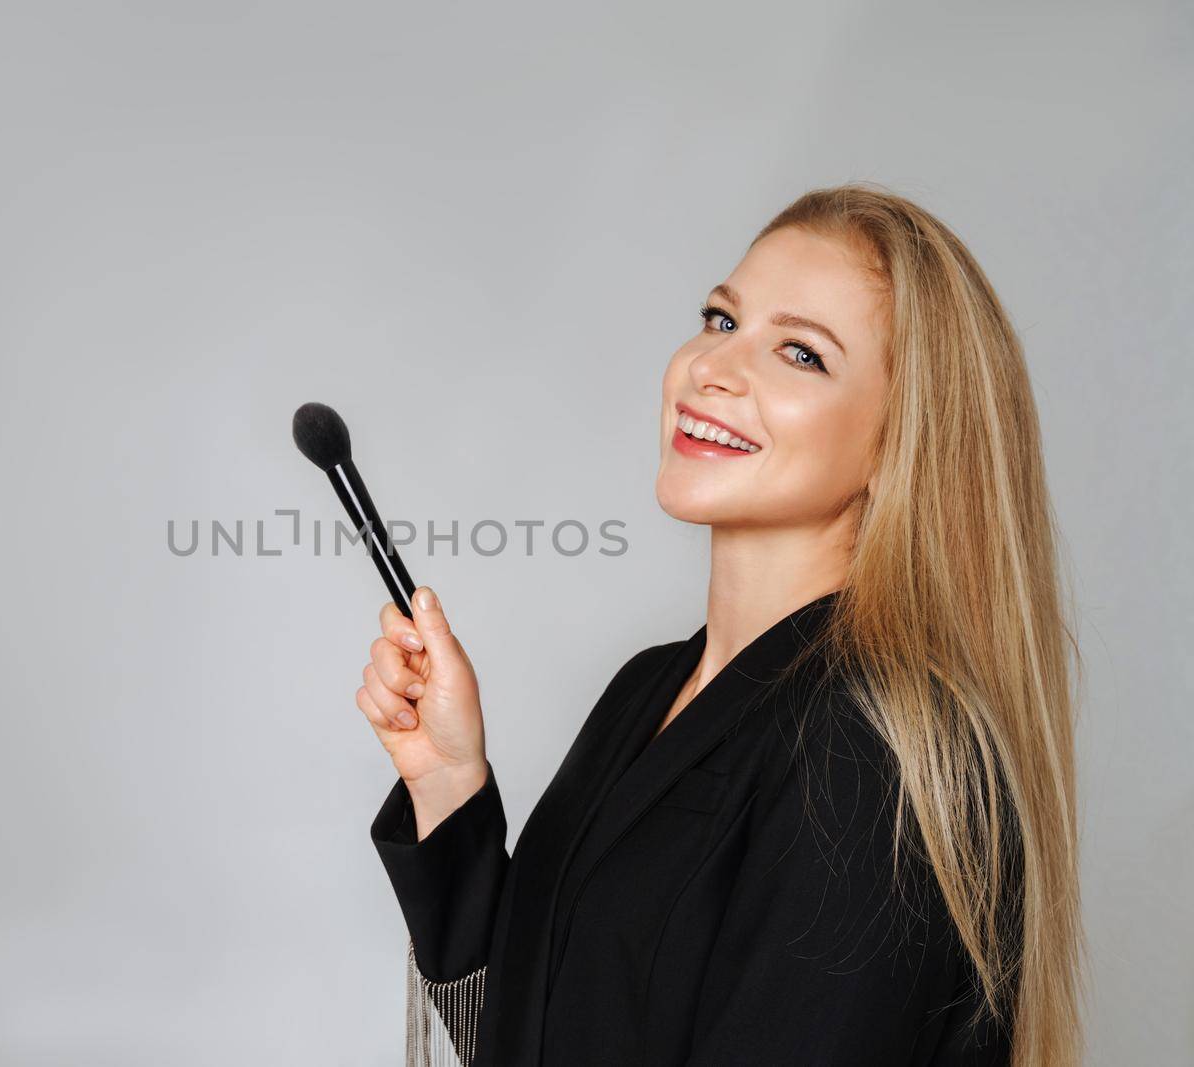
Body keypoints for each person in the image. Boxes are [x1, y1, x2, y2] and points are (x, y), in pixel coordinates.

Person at [354, 183, 1085, 1066]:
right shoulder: (649, 687)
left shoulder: (874, 755)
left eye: (802, 354)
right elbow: (532, 1036)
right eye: (721, 319)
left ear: (900, 446)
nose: (714, 367)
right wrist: (448, 784)